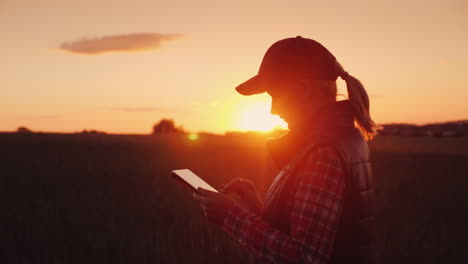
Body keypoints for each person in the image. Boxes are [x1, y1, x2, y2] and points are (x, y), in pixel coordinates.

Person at [194, 36, 381, 263]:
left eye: (275, 95)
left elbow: (305, 257)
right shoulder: (344, 139)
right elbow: (314, 233)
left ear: (303, 89)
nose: (272, 110)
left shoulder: (323, 154)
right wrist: (257, 206)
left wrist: (230, 215)